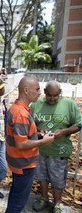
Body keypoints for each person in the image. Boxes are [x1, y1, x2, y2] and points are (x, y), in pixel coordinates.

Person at [30, 81, 81, 213]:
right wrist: (39, 130)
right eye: (49, 95)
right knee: (41, 176)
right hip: (40, 149)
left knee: (58, 179)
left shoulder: (69, 104)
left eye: (55, 96)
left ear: (60, 92)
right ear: (44, 92)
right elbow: (29, 123)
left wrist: (63, 132)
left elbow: (79, 124)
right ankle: (44, 199)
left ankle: (57, 203)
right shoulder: (36, 104)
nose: (52, 99)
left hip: (59, 151)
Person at [5, 76, 55, 213]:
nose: (40, 93)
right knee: (18, 201)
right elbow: (21, 144)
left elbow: (21, 135)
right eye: (37, 89)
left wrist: (37, 135)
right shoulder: (21, 114)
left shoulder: (17, 108)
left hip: (19, 162)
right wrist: (43, 141)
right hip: (24, 164)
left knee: (16, 194)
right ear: (26, 90)